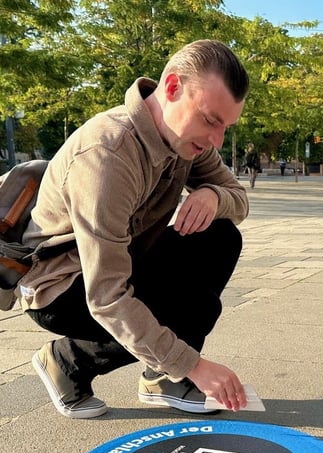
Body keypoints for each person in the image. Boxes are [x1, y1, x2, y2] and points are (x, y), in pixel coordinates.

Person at [19, 39, 250, 419]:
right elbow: (107, 296)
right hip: (63, 287)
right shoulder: (107, 156)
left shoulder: (186, 139)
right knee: (193, 306)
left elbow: (238, 198)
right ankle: (67, 360)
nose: (217, 140)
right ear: (172, 88)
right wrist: (193, 365)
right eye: (211, 120)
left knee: (220, 238)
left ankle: (162, 377)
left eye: (226, 126)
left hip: (122, 262)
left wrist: (212, 195)